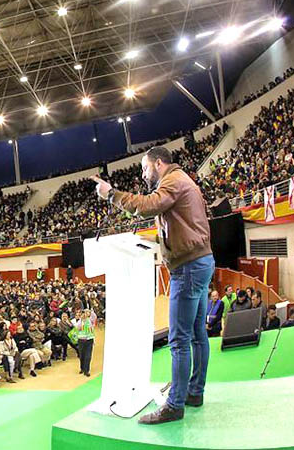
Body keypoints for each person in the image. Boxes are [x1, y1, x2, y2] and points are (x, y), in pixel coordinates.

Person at [92, 145, 213, 425]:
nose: (143, 173)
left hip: (189, 268)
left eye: (145, 168)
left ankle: (175, 405)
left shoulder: (172, 181)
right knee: (196, 334)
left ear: (158, 164)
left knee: (180, 340)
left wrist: (111, 194)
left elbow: (147, 206)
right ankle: (194, 392)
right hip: (199, 261)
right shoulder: (183, 180)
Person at [74, 309, 95, 376]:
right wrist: (81, 320)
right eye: (82, 314)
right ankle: (82, 368)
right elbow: (77, 328)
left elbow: (94, 316)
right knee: (82, 355)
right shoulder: (79, 322)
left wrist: (88, 311)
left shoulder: (90, 320)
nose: (84, 315)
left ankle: (87, 370)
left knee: (88, 356)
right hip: (81, 340)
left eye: (85, 314)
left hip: (89, 340)